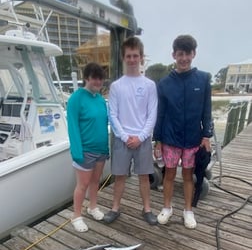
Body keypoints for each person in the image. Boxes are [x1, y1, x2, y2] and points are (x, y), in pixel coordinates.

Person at [153, 34, 213, 229]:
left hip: (194, 140)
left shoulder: (203, 79)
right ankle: (167, 208)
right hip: (170, 138)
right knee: (169, 175)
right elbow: (160, 114)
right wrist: (158, 140)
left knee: (188, 176)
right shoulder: (163, 84)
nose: (184, 58)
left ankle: (188, 211)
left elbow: (207, 110)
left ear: (194, 54)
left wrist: (207, 136)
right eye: (180, 54)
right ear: (174, 55)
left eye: (188, 54)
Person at [104, 36, 158, 225]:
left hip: (142, 140)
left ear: (141, 57)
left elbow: (152, 114)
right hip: (122, 140)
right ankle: (115, 208)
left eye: (136, 55)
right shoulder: (116, 86)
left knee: (144, 177)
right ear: (123, 58)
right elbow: (113, 115)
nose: (132, 59)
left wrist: (141, 137)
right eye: (129, 56)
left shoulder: (150, 85)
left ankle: (147, 209)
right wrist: (126, 137)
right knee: (119, 177)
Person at [67, 62, 109, 232]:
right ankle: (76, 215)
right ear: (86, 78)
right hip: (85, 150)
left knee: (95, 182)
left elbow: (103, 124)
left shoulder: (100, 99)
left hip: (100, 149)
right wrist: (77, 152)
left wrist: (106, 148)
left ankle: (93, 207)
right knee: (82, 185)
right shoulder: (76, 98)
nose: (98, 82)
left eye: (101, 79)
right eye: (95, 78)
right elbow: (72, 127)